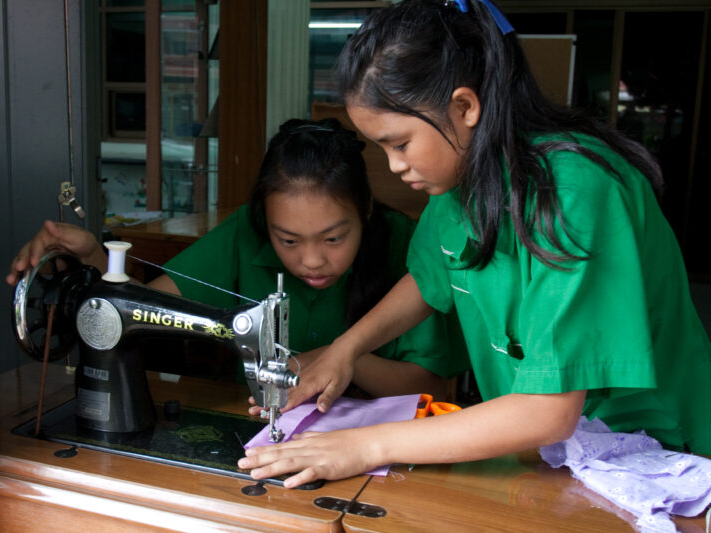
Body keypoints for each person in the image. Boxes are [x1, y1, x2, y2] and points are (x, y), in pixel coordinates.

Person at [237, 0, 711, 489]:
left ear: (464, 107)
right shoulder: (462, 182)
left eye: (399, 144)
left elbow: (548, 411)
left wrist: (365, 444)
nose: (394, 166)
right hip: (556, 452)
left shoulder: (574, 194)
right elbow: (429, 278)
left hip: (651, 447)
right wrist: (346, 349)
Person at [7, 117, 469, 400]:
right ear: (264, 220)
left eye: (333, 239)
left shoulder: (407, 246)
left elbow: (430, 387)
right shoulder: (242, 235)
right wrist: (94, 259)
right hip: (263, 432)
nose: (311, 260)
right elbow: (139, 310)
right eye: (287, 240)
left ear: (365, 212)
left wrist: (340, 358)